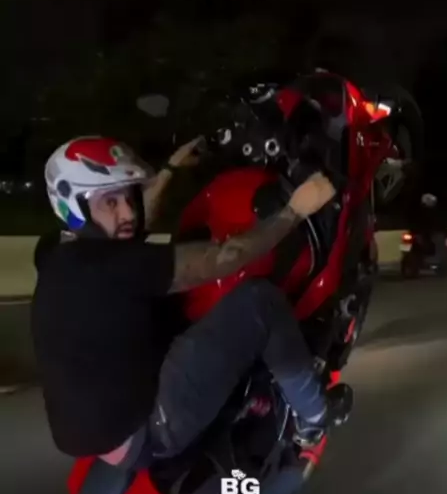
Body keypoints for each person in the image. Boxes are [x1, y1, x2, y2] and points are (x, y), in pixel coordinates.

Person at [31, 135, 349, 476]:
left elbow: (132, 227)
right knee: (261, 302)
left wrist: (171, 169)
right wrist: (295, 210)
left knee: (177, 309)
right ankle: (313, 417)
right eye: (110, 202)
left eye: (129, 197)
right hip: (150, 428)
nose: (128, 211)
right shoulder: (110, 265)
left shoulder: (60, 255)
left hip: (101, 430)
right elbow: (227, 257)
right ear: (76, 208)